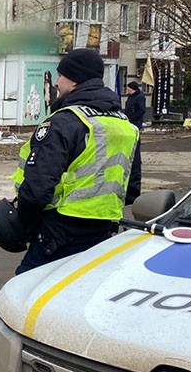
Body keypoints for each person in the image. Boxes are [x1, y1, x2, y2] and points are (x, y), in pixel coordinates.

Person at [11, 49, 142, 274]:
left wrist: (24, 225)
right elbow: (132, 188)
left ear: (74, 80)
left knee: (24, 292)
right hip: (104, 228)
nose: (56, 82)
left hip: (60, 228)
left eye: (60, 75)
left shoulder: (64, 121)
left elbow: (37, 189)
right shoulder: (126, 125)